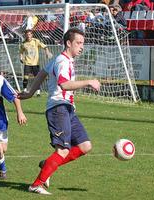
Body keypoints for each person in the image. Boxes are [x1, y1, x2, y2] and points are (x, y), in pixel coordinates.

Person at [18, 28, 101, 195]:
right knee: (63, 150)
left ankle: (47, 164)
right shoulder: (62, 61)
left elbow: (42, 73)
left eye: (82, 43)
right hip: (58, 109)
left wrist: (30, 93)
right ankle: (36, 185)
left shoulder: (61, 59)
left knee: (85, 146)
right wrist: (89, 82)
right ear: (68, 43)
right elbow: (64, 84)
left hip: (68, 109)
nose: (81, 47)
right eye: (78, 43)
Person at [19, 29, 52, 96]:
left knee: (37, 78)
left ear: (32, 35)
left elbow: (45, 46)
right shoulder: (23, 43)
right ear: (25, 35)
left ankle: (38, 92)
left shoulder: (36, 41)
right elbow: (21, 52)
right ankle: (25, 90)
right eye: (27, 34)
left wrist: (47, 52)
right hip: (27, 63)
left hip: (35, 63)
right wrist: (21, 57)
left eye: (29, 34)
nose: (28, 36)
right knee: (25, 77)